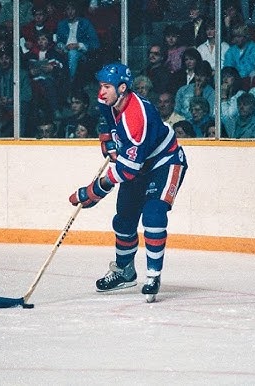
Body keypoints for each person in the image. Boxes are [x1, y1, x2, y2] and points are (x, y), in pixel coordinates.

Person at [68, 62, 188, 302]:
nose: (100, 93)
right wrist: (107, 142)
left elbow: (127, 170)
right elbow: (105, 122)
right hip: (138, 166)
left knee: (154, 214)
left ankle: (153, 275)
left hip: (164, 163)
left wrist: (94, 191)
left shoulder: (136, 118)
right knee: (123, 218)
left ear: (122, 88)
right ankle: (124, 270)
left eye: (106, 87)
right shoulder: (107, 100)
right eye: (100, 86)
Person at [0, 48, 34, 137]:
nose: (4, 61)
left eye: (7, 58)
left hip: (17, 105)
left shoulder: (22, 74)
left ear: (12, 60)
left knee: (21, 111)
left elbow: (27, 95)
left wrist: (11, 100)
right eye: (1, 59)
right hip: (0, 106)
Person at [55, 0, 100, 85]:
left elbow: (95, 43)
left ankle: (70, 83)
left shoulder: (85, 23)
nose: (70, 12)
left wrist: (78, 45)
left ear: (77, 10)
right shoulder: (62, 24)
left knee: (73, 53)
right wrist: (60, 46)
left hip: (80, 53)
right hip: (64, 51)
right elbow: (58, 41)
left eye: (73, 9)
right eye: (68, 9)